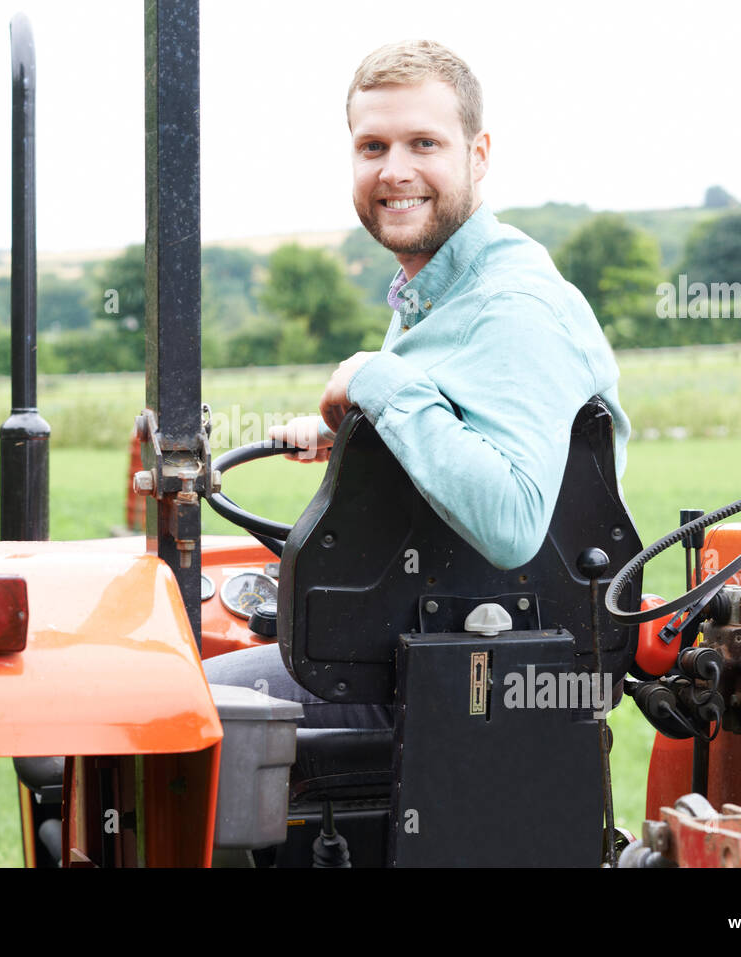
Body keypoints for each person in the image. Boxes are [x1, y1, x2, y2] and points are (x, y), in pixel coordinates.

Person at [203, 39, 629, 729]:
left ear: (479, 155)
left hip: (476, 682)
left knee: (169, 706)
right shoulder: (434, 294)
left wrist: (380, 377)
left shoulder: (512, 305)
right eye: (372, 147)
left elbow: (514, 520)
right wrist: (359, 434)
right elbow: (455, 424)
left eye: (423, 143)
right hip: (418, 646)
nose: (395, 171)